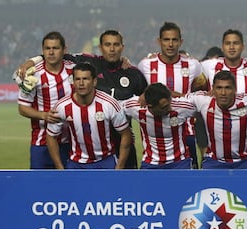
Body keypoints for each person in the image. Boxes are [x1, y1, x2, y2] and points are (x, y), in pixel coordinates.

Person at [19, 30, 147, 169]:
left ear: (122, 47)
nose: (111, 49)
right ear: (100, 47)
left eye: (116, 45)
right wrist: (30, 62)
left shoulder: (133, 73)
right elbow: (54, 54)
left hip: (120, 140)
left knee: (121, 188)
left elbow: (146, 100)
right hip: (80, 145)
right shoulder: (89, 62)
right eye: (107, 44)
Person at [137, 21, 208, 169]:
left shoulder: (193, 65)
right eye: (166, 40)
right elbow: (141, 95)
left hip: (185, 130)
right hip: (155, 131)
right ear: (159, 41)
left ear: (180, 42)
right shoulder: (145, 65)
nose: (170, 44)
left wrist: (178, 97)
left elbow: (201, 93)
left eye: (174, 40)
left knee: (189, 179)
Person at [46, 62, 132, 169]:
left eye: (85, 79)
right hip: (76, 164)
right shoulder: (62, 106)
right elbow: (50, 136)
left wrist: (120, 165)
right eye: (77, 79)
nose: (81, 83)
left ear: (94, 81)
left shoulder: (109, 104)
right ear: (73, 82)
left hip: (105, 161)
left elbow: (126, 134)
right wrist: (59, 167)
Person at [14, 31, 74, 169]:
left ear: (64, 50)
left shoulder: (74, 69)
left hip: (72, 142)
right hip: (42, 143)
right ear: (43, 51)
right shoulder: (33, 74)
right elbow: (22, 108)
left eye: (55, 48)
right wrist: (43, 115)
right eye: (47, 48)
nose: (51, 52)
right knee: (39, 187)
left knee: (70, 186)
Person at [188, 70, 247, 169]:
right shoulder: (202, 101)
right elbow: (176, 102)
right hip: (214, 162)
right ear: (213, 89)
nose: (223, 93)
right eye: (219, 88)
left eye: (227, 88)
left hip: (245, 163)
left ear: (235, 89)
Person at [123, 83, 196, 169]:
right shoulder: (136, 107)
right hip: (150, 163)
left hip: (179, 163)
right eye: (164, 107)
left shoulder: (181, 107)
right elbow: (115, 108)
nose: (170, 108)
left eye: (169, 103)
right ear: (150, 106)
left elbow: (203, 102)